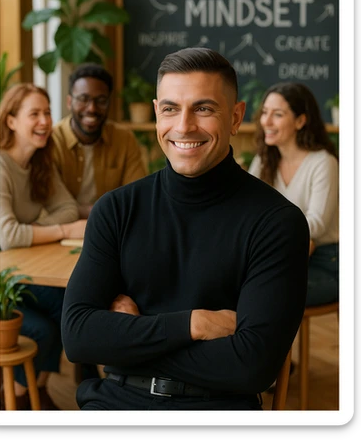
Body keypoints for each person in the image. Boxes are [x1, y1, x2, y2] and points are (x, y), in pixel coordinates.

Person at [61, 47, 310, 411]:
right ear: (157, 111)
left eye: (204, 108)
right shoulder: (116, 209)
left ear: (236, 117)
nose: (183, 126)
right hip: (114, 403)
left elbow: (251, 368)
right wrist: (192, 325)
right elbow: (78, 337)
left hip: (215, 409)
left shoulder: (276, 223)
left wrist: (133, 338)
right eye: (170, 109)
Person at [0, 83, 87, 410]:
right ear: (10, 121)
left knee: (71, 305)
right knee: (44, 329)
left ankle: (37, 390)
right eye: (34, 113)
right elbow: (8, 235)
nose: (45, 121)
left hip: (24, 273)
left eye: (47, 113)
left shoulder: (40, 162)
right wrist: (63, 229)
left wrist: (33, 228)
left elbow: (69, 206)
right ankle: (20, 399)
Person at [248, 81, 339, 307]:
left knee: (267, 296)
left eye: (277, 114)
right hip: (278, 256)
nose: (266, 122)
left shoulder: (323, 162)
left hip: (326, 262)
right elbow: (246, 209)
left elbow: (316, 223)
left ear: (300, 121)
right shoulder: (264, 160)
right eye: (265, 113)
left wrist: (267, 234)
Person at [52, 62, 148, 219]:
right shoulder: (53, 141)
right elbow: (50, 204)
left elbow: (137, 197)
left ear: (109, 103)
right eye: (83, 99)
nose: (92, 108)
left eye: (101, 100)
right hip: (63, 230)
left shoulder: (124, 140)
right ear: (69, 102)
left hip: (112, 230)